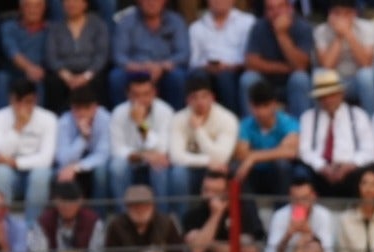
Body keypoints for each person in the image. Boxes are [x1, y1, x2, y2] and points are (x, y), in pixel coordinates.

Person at [297, 68, 374, 198]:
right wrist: (322, 167)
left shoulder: (358, 115)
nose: (328, 100)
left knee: (368, 175)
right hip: (320, 172)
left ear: (341, 94)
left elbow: (372, 150)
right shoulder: (308, 117)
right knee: (300, 174)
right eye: (323, 97)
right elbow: (304, 150)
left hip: (351, 171)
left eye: (331, 95)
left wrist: (350, 165)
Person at [0, 78, 56, 222]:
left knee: (40, 175)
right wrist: (18, 126)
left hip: (35, 170)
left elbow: (46, 159)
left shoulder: (49, 119)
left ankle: (32, 228)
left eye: (28, 101)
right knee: (0, 172)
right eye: (18, 102)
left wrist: (14, 162)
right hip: (10, 172)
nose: (23, 107)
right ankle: (3, 223)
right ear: (10, 99)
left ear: (36, 99)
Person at [168, 72, 240, 202]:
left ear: (212, 97)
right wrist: (207, 161)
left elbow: (221, 158)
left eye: (204, 96)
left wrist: (198, 130)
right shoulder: (178, 119)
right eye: (194, 98)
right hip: (193, 169)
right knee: (178, 173)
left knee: (233, 168)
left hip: (219, 170)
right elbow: (176, 157)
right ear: (188, 101)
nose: (200, 102)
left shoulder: (227, 118)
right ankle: (180, 217)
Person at [109, 73, 176, 209]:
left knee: (159, 166)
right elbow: (117, 150)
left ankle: (161, 217)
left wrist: (141, 123)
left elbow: (162, 149)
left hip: (155, 161)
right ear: (128, 94)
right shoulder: (118, 113)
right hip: (131, 161)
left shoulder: (165, 111)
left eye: (146, 94)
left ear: (154, 93)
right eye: (136, 95)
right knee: (117, 167)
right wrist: (144, 156)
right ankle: (123, 216)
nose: (141, 100)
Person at [109, 0, 190, 110]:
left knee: (178, 77)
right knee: (116, 77)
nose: (151, 3)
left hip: (165, 70)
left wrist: (161, 66)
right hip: (135, 68)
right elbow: (119, 55)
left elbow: (183, 53)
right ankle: (122, 115)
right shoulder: (127, 21)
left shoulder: (176, 21)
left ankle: (176, 116)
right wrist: (140, 67)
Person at [181, 165, 264, 252]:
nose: (209, 196)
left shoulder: (243, 214)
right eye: (206, 190)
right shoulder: (192, 216)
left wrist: (208, 244)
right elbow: (197, 251)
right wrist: (216, 215)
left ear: (227, 193)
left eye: (215, 192)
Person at [99, 183, 184, 252]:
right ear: (127, 207)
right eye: (134, 206)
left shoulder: (166, 224)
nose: (139, 209)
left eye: (144, 205)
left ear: (152, 206)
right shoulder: (116, 226)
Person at [241, 0, 314, 117]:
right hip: (266, 81)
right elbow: (251, 62)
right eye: (270, 9)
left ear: (289, 8)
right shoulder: (259, 27)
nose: (275, 12)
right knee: (248, 79)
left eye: (280, 7)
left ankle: (300, 130)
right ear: (265, 12)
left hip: (292, 83)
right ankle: (250, 129)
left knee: (300, 79)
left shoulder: (303, 27)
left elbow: (300, 66)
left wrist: (282, 34)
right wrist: (286, 68)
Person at [27, 179, 104, 252]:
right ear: (55, 202)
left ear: (80, 201)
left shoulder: (93, 221)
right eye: (63, 202)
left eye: (71, 202)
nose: (67, 207)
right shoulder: (44, 221)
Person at [233, 77, 299, 196]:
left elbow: (290, 152)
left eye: (266, 105)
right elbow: (241, 153)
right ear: (250, 106)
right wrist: (274, 153)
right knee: (237, 167)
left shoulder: (288, 122)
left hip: (276, 176)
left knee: (282, 165)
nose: (262, 112)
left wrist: (253, 157)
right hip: (255, 175)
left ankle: (281, 209)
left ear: (274, 104)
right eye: (257, 106)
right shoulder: (245, 125)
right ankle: (249, 213)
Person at [313, 0, 374, 115]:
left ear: (354, 14)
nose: (341, 18)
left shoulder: (367, 28)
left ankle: (371, 119)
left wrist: (348, 33)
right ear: (330, 14)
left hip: (357, 81)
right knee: (319, 73)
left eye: (346, 13)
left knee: (366, 75)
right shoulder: (321, 30)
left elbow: (366, 63)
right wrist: (339, 36)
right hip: (334, 81)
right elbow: (327, 65)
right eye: (337, 13)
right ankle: (320, 122)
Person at [188, 0, 255, 114]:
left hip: (236, 70)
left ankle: (233, 120)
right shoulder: (196, 27)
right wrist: (207, 66)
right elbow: (194, 61)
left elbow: (250, 56)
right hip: (207, 71)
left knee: (225, 77)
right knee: (197, 76)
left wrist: (231, 66)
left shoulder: (247, 22)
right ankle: (198, 118)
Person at [44, 0, 108, 115]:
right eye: (67, 1)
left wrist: (86, 76)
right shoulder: (55, 27)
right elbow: (51, 56)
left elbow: (101, 54)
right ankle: (58, 119)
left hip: (90, 71)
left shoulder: (98, 25)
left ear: (85, 4)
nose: (71, 4)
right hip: (64, 72)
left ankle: (94, 119)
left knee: (98, 81)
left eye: (75, 1)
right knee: (53, 83)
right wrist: (66, 75)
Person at [53, 84, 110, 202]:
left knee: (101, 172)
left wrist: (77, 167)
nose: (82, 113)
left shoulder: (105, 119)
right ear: (72, 108)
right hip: (71, 167)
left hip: (93, 166)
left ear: (95, 107)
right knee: (63, 173)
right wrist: (82, 139)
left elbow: (103, 155)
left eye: (87, 108)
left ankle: (100, 214)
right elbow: (63, 159)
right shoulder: (65, 121)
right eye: (77, 108)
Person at [267, 173, 337, 252]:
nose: (299, 203)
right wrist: (287, 236)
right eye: (295, 199)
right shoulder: (280, 215)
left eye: (304, 198)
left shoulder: (323, 215)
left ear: (313, 197)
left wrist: (311, 234)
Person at [0, 0, 49, 111]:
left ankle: (36, 120)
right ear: (21, 9)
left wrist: (40, 70)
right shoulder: (8, 27)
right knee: (1, 77)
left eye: (37, 6)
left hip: (39, 72)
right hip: (14, 71)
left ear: (44, 9)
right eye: (28, 6)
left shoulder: (50, 29)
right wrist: (29, 68)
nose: (33, 10)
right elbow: (12, 51)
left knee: (40, 79)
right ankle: (2, 118)